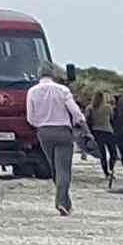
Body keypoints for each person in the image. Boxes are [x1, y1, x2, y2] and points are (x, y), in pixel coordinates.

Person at [22, 63, 80, 212]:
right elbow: (76, 112)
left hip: (44, 133)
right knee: (63, 169)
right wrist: (80, 125)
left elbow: (30, 117)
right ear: (52, 74)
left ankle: (65, 202)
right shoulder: (63, 90)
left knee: (54, 167)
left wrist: (40, 125)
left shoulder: (32, 92)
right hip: (63, 132)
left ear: (39, 75)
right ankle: (61, 201)